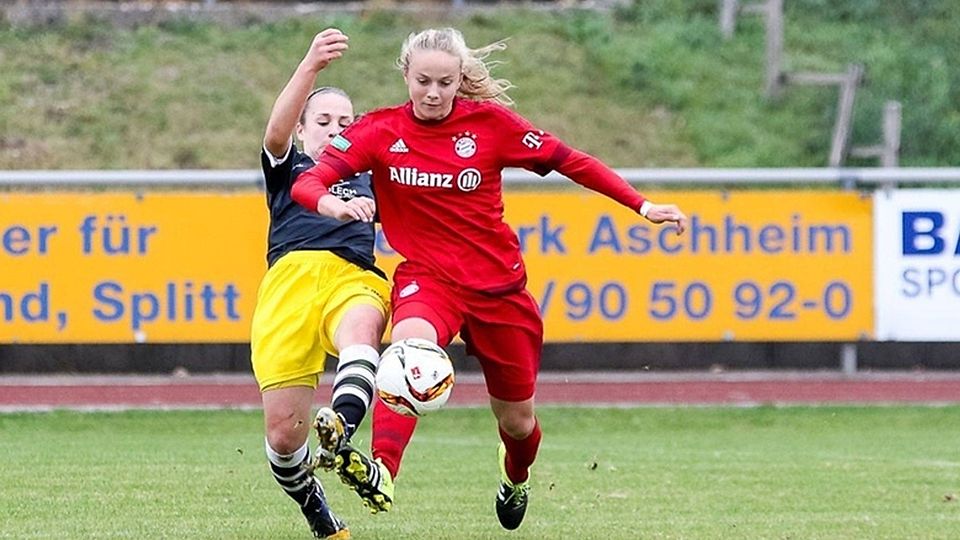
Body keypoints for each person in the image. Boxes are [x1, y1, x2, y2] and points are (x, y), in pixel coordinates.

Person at [291, 27, 688, 530]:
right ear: (406, 76)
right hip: (429, 279)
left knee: (518, 424)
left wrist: (643, 204)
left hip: (499, 290)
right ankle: (382, 472)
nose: (433, 93)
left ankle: (515, 478)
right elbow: (309, 179)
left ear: (460, 80)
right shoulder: (379, 130)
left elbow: (571, 161)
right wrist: (332, 202)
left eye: (445, 82)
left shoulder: (490, 125)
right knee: (409, 350)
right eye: (423, 81)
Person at [251, 28, 391, 540]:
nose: (335, 129)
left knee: (360, 333)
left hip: (352, 274)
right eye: (324, 121)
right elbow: (273, 133)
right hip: (288, 284)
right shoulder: (290, 166)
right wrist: (309, 65)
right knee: (284, 437)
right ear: (305, 129)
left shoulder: (371, 174)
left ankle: (342, 427)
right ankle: (318, 511)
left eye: (345, 122)